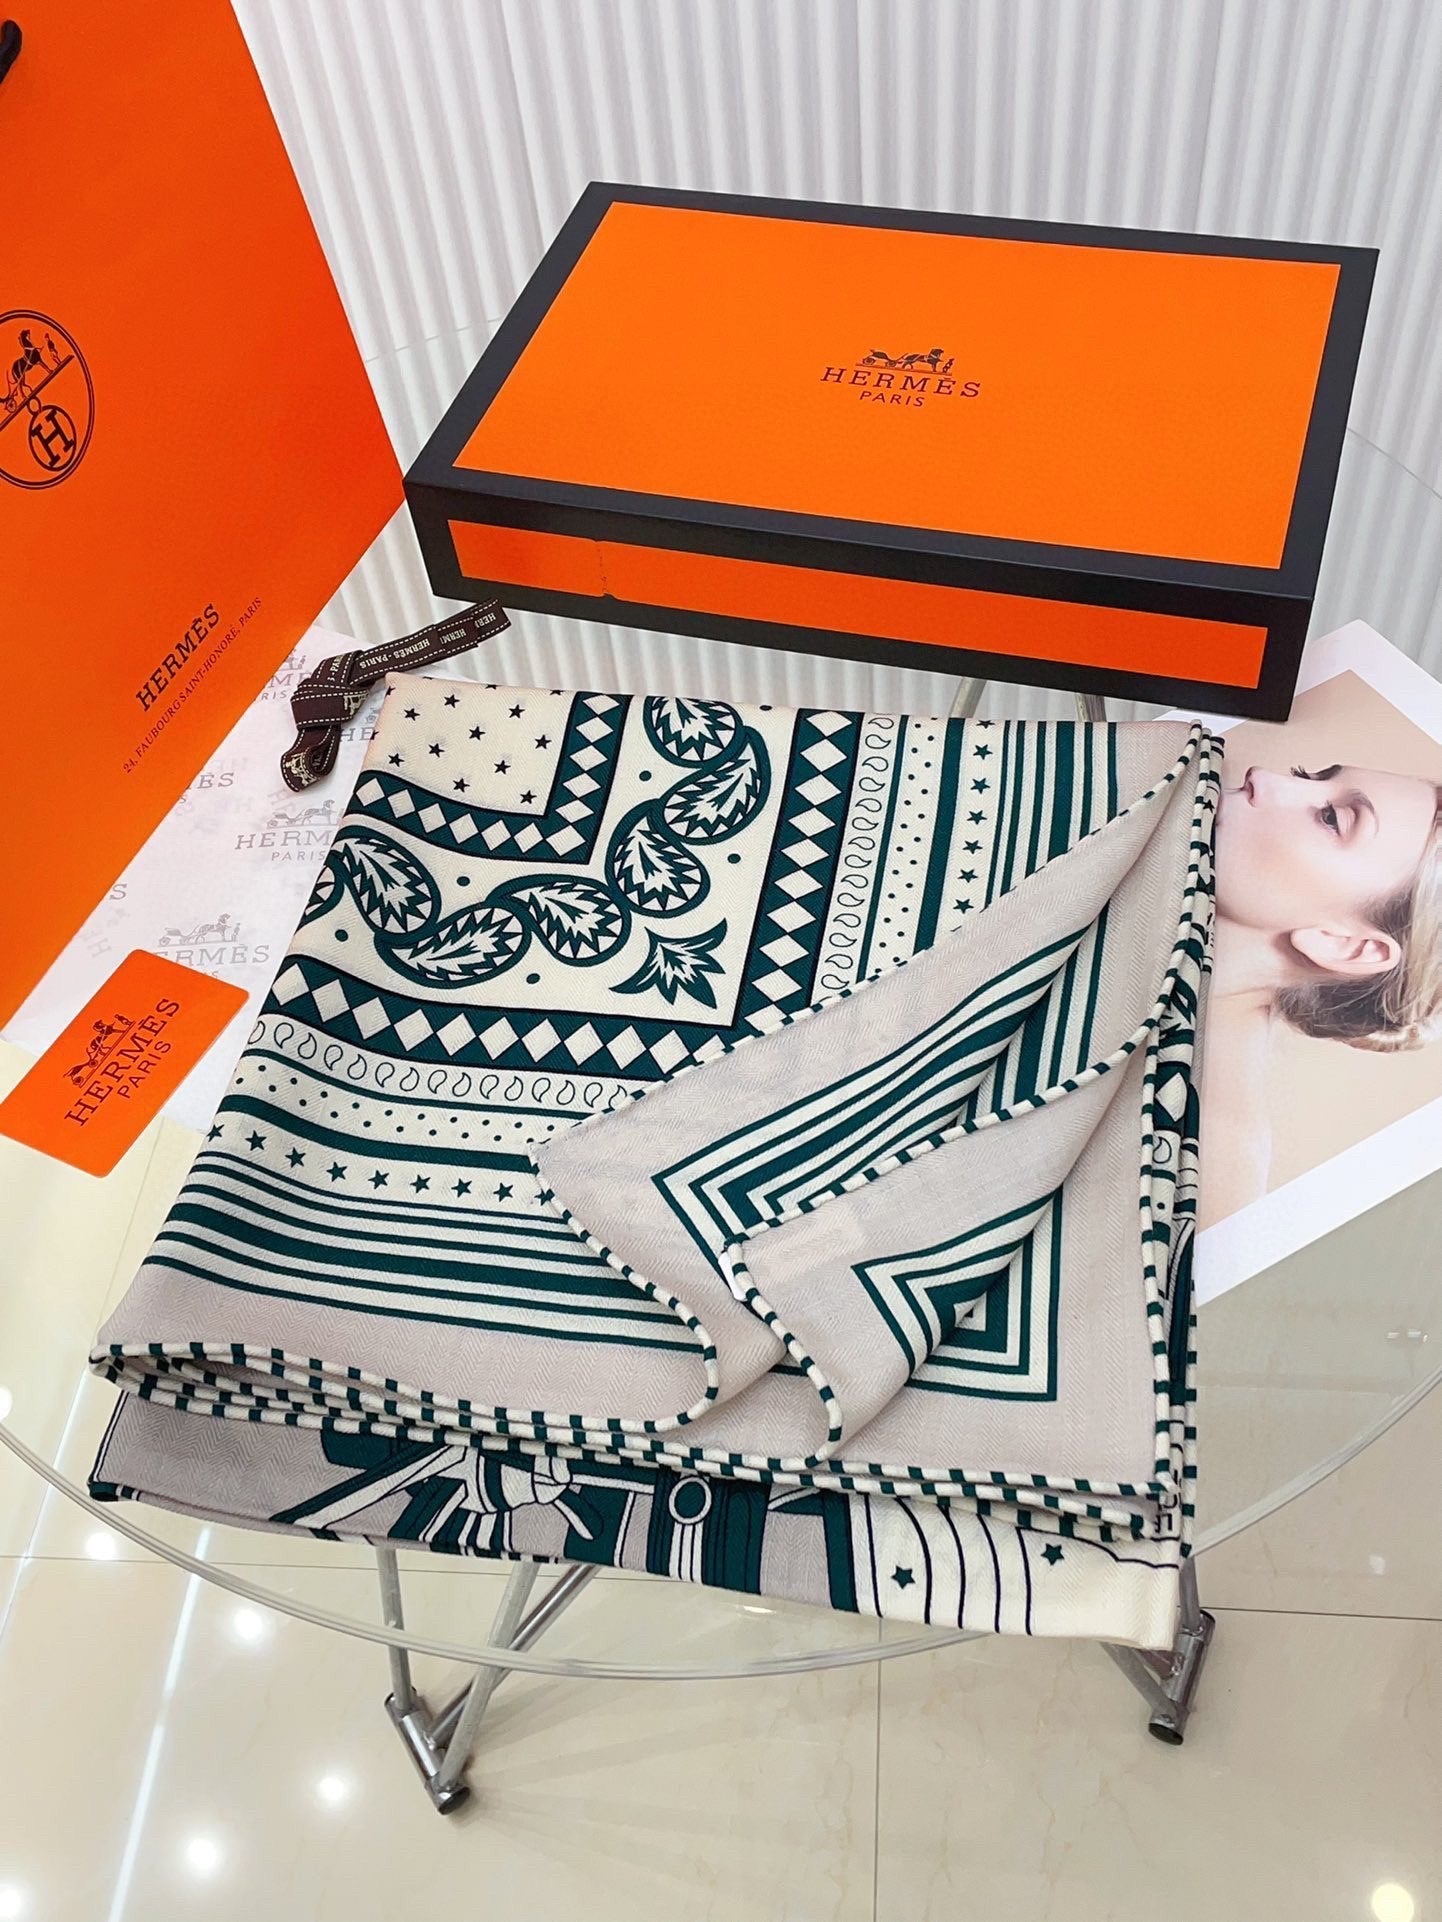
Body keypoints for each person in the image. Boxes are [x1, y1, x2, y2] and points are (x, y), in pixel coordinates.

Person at [1202, 758, 1442, 1219]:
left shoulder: (1212, 1160)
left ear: (1346, 945)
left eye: (1332, 819)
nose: (1261, 775)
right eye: (1309, 777)